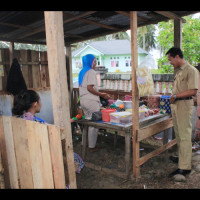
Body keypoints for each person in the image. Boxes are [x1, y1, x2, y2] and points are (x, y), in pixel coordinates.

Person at [12, 89, 84, 174]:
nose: (41, 104)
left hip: (21, 157)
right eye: (40, 101)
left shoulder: (16, 120)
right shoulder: (39, 123)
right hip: (40, 157)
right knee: (74, 157)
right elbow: (54, 133)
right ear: (35, 104)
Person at [166, 47, 199, 178]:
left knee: (185, 135)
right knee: (179, 134)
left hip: (185, 105)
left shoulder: (191, 70)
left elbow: (193, 91)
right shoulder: (179, 71)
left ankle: (185, 168)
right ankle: (182, 158)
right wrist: (174, 96)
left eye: (170, 59)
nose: (170, 62)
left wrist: (177, 95)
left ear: (177, 57)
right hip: (177, 105)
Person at [79, 54, 110, 152]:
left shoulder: (82, 71)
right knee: (94, 124)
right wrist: (102, 95)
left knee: (88, 122)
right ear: (90, 62)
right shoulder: (91, 71)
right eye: (94, 61)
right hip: (91, 101)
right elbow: (90, 88)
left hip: (83, 101)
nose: (95, 64)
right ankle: (92, 147)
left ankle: (84, 143)